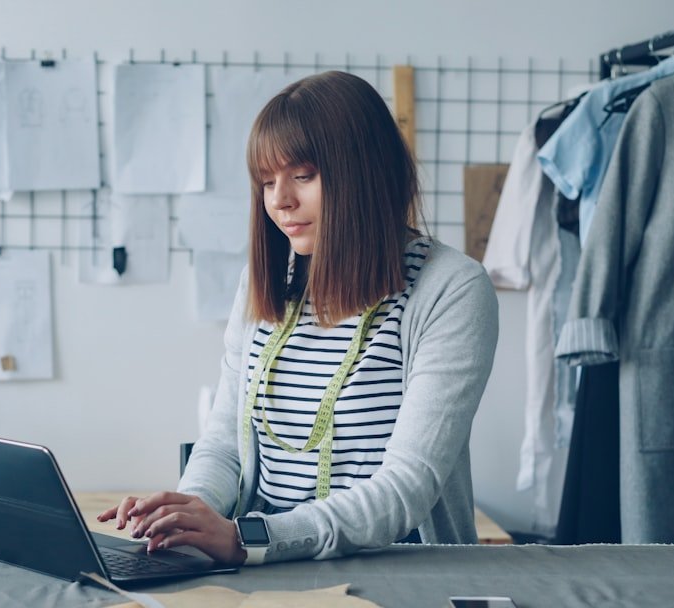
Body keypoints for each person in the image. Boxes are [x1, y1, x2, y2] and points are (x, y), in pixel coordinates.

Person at [98, 70, 498, 566]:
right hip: (263, 561)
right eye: (267, 182)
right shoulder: (263, 281)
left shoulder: (452, 289)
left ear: (364, 172)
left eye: (303, 176)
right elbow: (224, 442)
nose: (280, 200)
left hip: (394, 570)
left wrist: (248, 538)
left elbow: (406, 487)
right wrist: (190, 516)